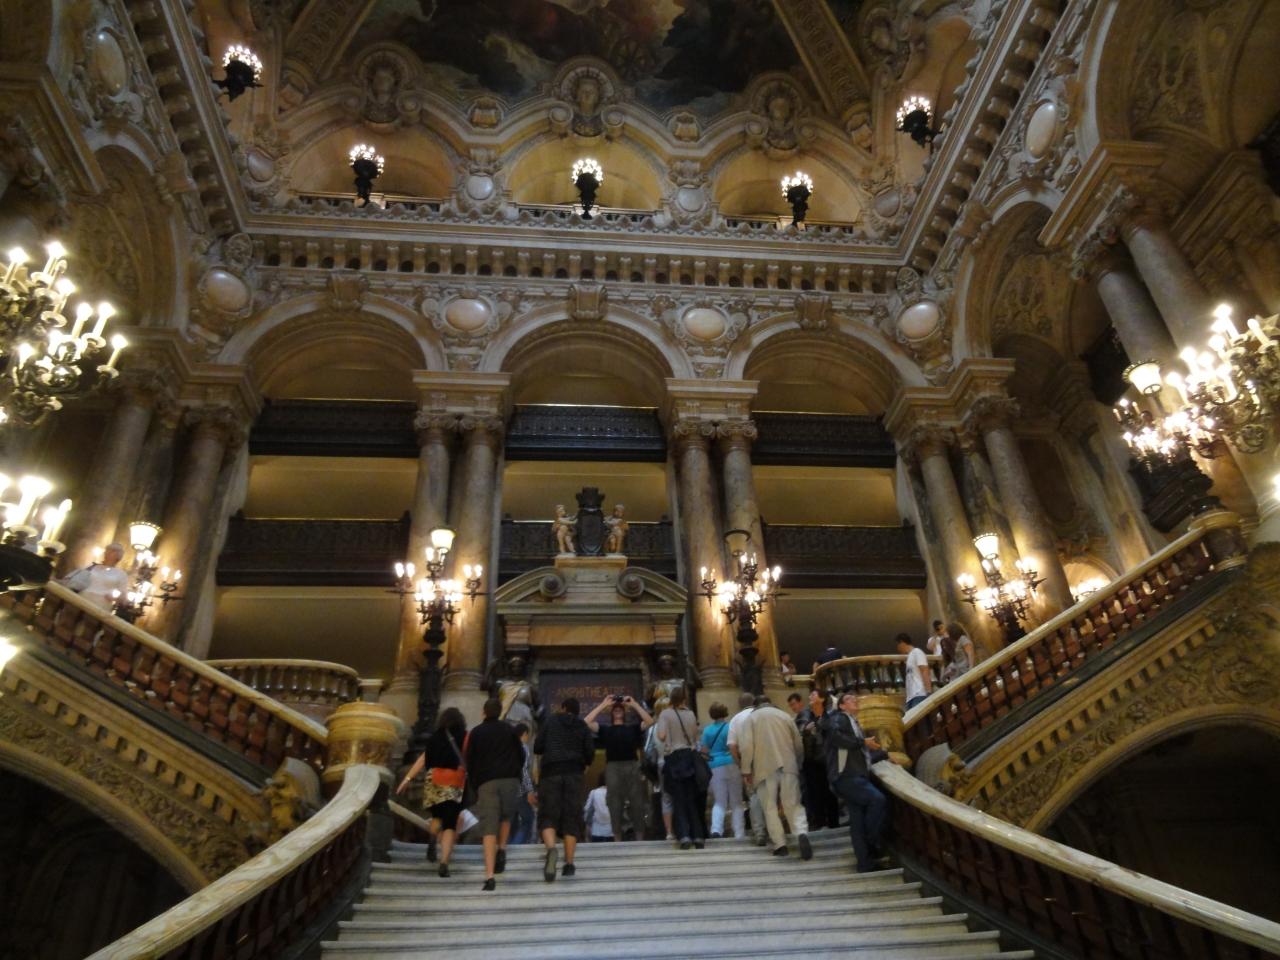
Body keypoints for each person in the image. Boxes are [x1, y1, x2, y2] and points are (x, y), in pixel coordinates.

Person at [737, 696, 812, 860]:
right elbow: (798, 743)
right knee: (793, 804)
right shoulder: (785, 716)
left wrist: (746, 770)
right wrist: (797, 763)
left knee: (769, 808)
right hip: (788, 765)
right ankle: (801, 833)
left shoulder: (751, 719)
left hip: (763, 769)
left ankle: (780, 845)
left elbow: (747, 747)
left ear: (755, 706)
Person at [395, 707, 467, 877]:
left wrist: (406, 779)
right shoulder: (464, 736)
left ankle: (433, 839)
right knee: (450, 824)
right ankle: (444, 863)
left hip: (434, 780)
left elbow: (422, 759)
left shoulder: (435, 737)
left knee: (436, 816)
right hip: (454, 781)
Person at [824, 691, 890, 873]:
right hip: (847, 776)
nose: (854, 699)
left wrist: (884, 755)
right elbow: (837, 738)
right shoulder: (840, 718)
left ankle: (864, 863)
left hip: (853, 775)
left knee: (857, 821)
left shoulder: (854, 723)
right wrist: (863, 742)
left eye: (855, 697)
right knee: (877, 799)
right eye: (849, 699)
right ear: (841, 706)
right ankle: (872, 842)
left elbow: (862, 754)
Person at [465, 697, 525, 891]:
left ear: (484, 712)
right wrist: (515, 773)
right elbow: (522, 755)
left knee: (489, 828)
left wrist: (475, 784)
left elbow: (470, 760)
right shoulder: (510, 730)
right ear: (500, 712)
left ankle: (490, 877)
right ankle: (502, 849)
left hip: (487, 782)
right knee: (506, 817)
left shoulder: (476, 732)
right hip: (510, 780)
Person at [534, 697, 595, 881]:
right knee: (571, 818)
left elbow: (538, 747)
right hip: (574, 774)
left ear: (562, 708)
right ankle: (569, 864)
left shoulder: (551, 721)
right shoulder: (582, 726)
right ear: (578, 711)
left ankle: (552, 849)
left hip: (551, 773)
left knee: (547, 815)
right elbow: (590, 754)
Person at [585, 694, 653, 841]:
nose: (617, 710)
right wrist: (604, 704)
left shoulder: (633, 728)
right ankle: (617, 838)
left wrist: (633, 704)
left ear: (624, 712)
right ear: (611, 713)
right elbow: (587, 721)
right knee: (614, 802)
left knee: (636, 802)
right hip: (613, 767)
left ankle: (639, 839)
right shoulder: (605, 730)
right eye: (614, 709)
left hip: (632, 765)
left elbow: (650, 721)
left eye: (620, 708)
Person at [654, 684, 704, 849]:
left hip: (674, 759)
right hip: (689, 758)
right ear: (684, 699)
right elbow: (695, 736)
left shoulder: (665, 714)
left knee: (678, 798)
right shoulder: (691, 714)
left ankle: (684, 836)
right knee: (691, 798)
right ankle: (698, 835)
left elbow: (661, 736)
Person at [727, 691, 767, 846]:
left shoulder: (735, 719)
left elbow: (732, 746)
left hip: (748, 761)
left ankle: (759, 832)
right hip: (767, 758)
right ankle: (774, 827)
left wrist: (740, 763)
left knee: (754, 796)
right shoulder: (761, 714)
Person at [700, 702, 745, 839]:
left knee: (719, 801)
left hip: (715, 766)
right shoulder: (730, 727)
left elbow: (704, 751)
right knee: (736, 802)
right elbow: (736, 746)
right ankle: (739, 832)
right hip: (732, 763)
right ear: (725, 712)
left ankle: (716, 830)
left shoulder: (707, 730)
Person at [800, 689, 841, 829]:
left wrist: (816, 727)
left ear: (822, 699)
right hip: (812, 762)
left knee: (830, 793)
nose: (810, 696)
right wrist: (806, 732)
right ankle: (819, 822)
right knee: (815, 794)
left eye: (813, 694)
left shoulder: (830, 717)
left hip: (827, 761)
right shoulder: (808, 717)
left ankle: (833, 823)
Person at [60, 543, 130, 612]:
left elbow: (123, 597)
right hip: (81, 599)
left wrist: (115, 598)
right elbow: (77, 579)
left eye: (113, 551)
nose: (107, 552)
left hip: (100, 606)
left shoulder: (121, 574)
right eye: (108, 550)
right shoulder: (92, 567)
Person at [510, 721, 537, 845]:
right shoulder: (523, 748)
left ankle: (507, 848)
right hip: (520, 790)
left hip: (509, 790)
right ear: (524, 734)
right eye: (528, 735)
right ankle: (516, 845)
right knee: (528, 820)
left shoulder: (509, 747)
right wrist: (530, 790)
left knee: (512, 823)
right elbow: (524, 770)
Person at [898, 633, 932, 711]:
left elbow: (924, 670)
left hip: (919, 694)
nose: (898, 648)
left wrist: (928, 691)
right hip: (911, 697)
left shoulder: (917, 652)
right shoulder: (910, 656)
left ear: (902, 643)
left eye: (898, 645)